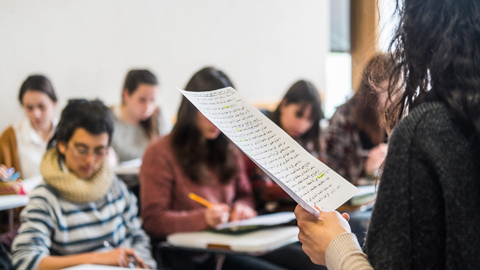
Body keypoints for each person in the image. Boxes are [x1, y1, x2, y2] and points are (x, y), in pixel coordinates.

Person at [295, 0, 480, 269]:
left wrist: (337, 246)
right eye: (388, 92)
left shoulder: (425, 129)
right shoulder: (347, 121)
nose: (395, 98)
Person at [11, 99, 156, 270]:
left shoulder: (114, 186)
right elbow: (25, 260)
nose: (90, 160)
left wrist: (142, 262)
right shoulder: (46, 197)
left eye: (99, 151)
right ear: (63, 145)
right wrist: (99, 258)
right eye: (82, 150)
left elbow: (138, 236)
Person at [246, 80, 325, 213]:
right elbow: (259, 189)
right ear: (284, 104)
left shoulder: (310, 141)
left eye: (310, 119)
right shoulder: (258, 135)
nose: (303, 124)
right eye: (298, 115)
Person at [325, 53, 395, 186]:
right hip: (351, 200)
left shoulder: (394, 114)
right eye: (385, 91)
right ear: (371, 90)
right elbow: (333, 174)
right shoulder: (343, 118)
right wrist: (366, 167)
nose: (391, 99)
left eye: (395, 92)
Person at [110, 69, 172, 197]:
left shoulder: (157, 118)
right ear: (126, 95)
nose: (148, 107)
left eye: (153, 100)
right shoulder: (111, 121)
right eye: (142, 100)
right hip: (123, 187)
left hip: (154, 184)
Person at [0, 75, 57, 180]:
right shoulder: (10, 137)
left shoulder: (68, 134)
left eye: (42, 107)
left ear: (54, 103)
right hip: (24, 196)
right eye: (29, 108)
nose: (36, 114)